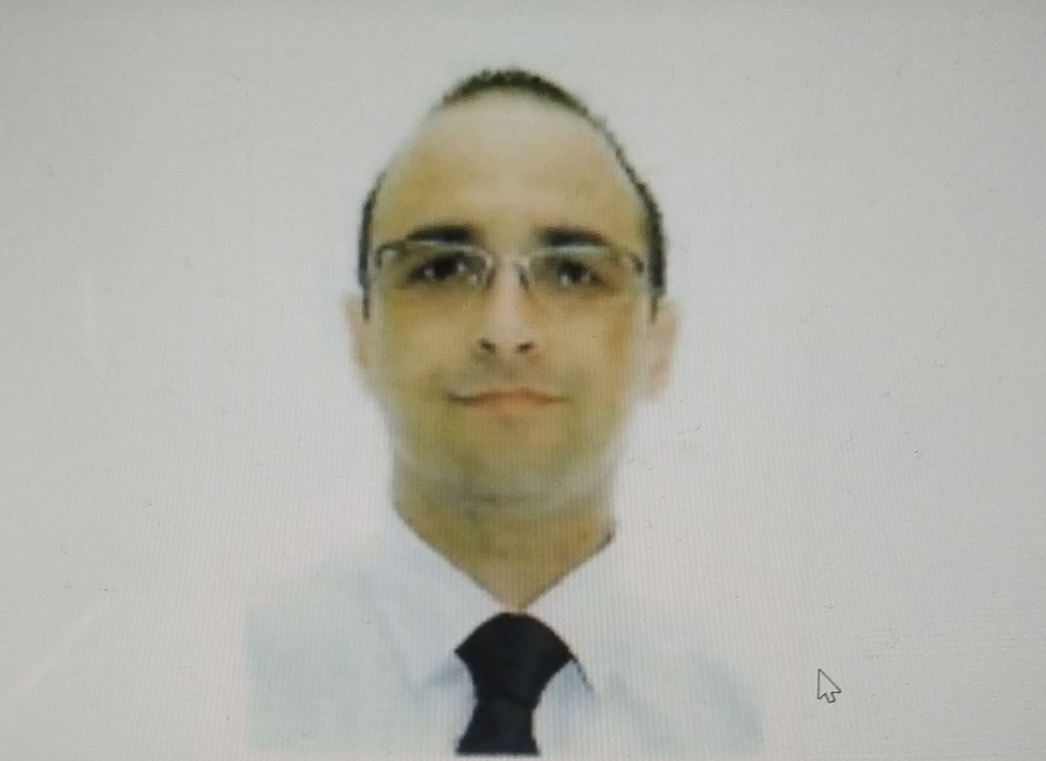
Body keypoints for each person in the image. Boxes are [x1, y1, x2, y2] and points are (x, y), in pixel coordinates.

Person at [246, 67, 762, 758]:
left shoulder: (758, 717)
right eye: (440, 268)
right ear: (361, 335)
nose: (506, 328)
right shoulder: (233, 686)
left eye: (574, 272)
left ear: (658, 344)